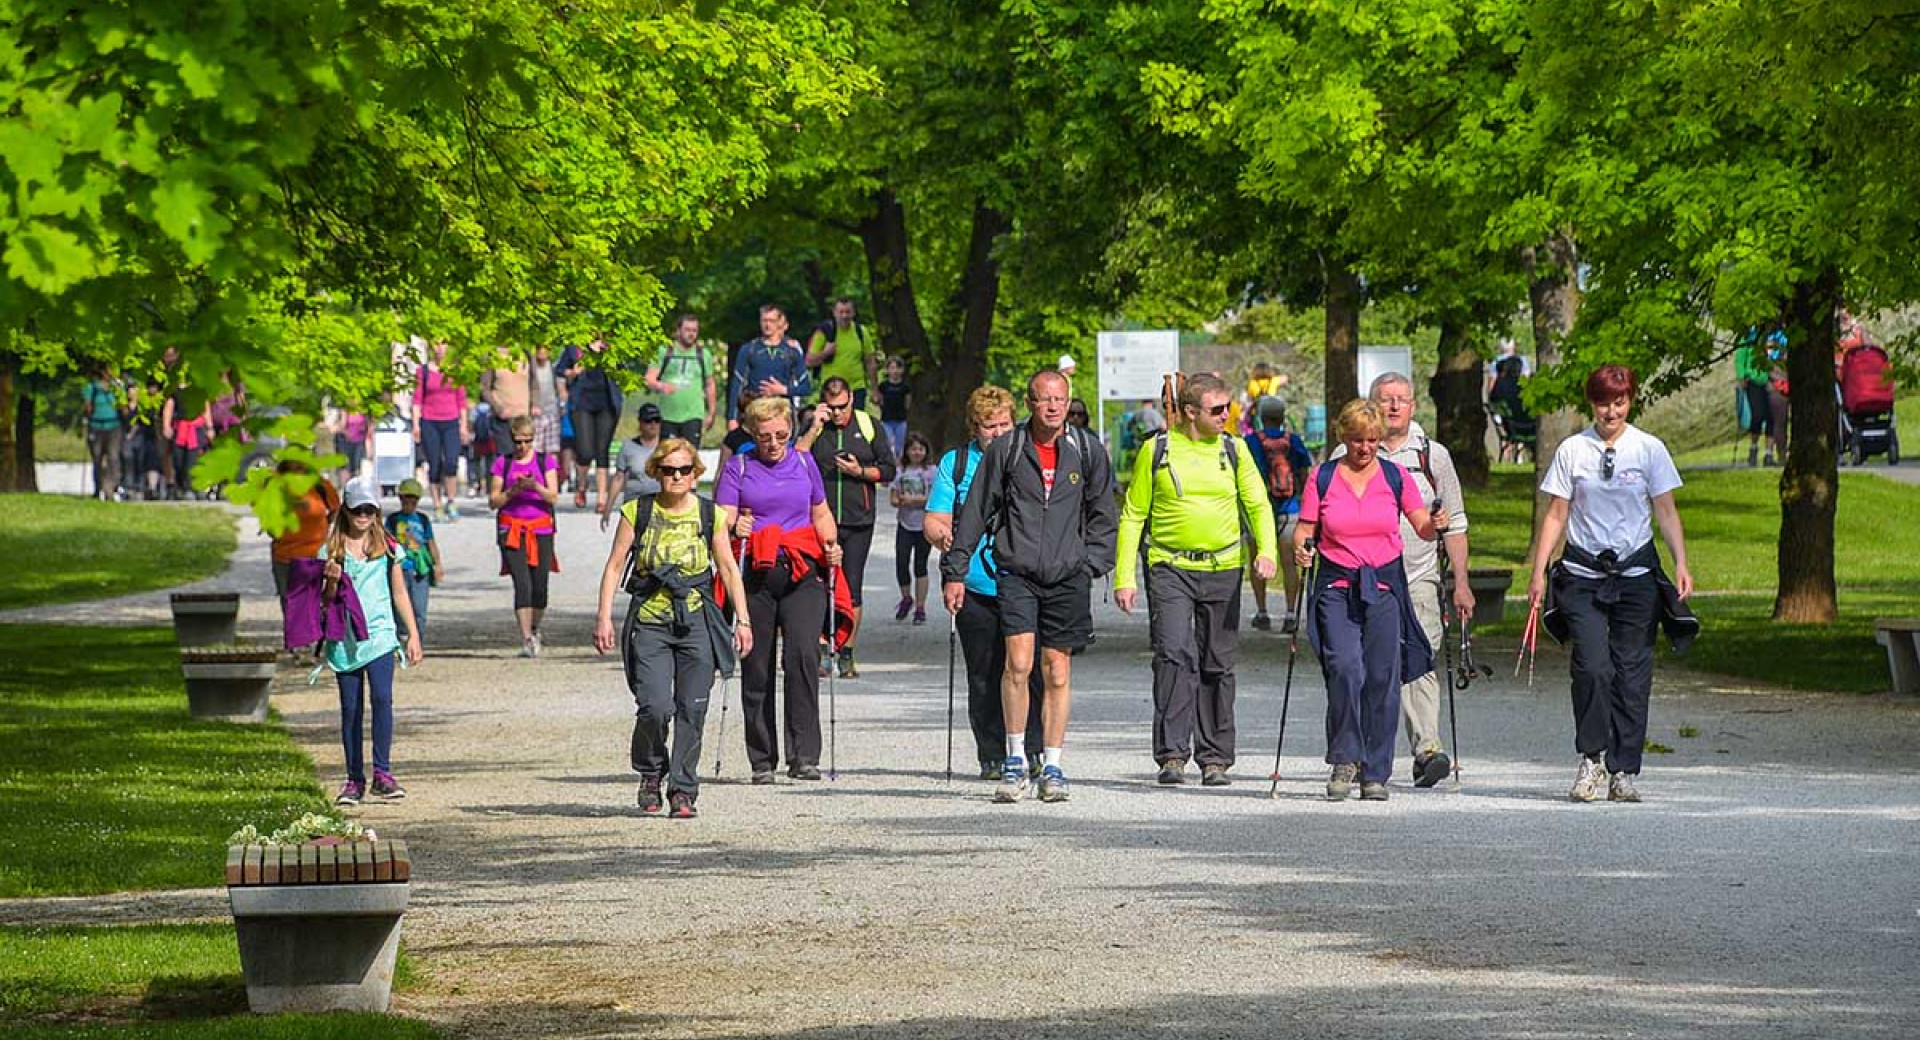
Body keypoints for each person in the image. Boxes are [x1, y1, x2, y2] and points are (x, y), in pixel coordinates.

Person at [944, 369, 1117, 804]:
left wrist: (1091, 563)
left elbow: (1104, 512)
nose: (1053, 407)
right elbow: (975, 512)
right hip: (1017, 571)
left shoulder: (1087, 450)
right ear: (1030, 403)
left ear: (1069, 400)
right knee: (1018, 664)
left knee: (1057, 669)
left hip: (1067, 575)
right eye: (1043, 399)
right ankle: (1016, 758)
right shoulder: (1008, 448)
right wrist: (956, 570)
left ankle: (1054, 764)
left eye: (1059, 398)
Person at [1528, 364, 1694, 804]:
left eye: (1619, 402)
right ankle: (1591, 758)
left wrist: (1681, 562)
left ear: (1631, 401)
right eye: (1603, 403)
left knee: (1632, 675)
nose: (1611, 411)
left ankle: (1624, 770)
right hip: (1582, 575)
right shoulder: (1572, 451)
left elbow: (1666, 510)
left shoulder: (1649, 449)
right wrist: (1539, 571)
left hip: (1636, 576)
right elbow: (1557, 514)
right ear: (1591, 404)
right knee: (1593, 667)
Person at [1114, 373, 1277, 787]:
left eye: (1229, 408)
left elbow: (1257, 505)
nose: (1227, 416)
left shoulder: (1234, 449)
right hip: (1170, 566)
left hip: (1223, 567)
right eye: (1217, 409)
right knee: (1172, 654)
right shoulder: (1158, 450)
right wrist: (1124, 577)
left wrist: (1267, 551)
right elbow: (1133, 514)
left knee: (1217, 662)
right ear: (1189, 412)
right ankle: (1172, 754)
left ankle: (1215, 758)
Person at [1295, 399, 1445, 802]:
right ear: (1343, 437)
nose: (1365, 448)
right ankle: (1345, 759)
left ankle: (1375, 771)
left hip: (1383, 587)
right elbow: (1305, 528)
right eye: (1358, 440)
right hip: (1337, 587)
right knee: (1344, 668)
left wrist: (1435, 524)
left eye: (1373, 441)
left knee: (1382, 677)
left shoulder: (1395, 477)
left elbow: (1422, 527)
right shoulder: (1323, 477)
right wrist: (1302, 549)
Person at [594, 438, 752, 818]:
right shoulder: (637, 511)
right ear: (656, 472)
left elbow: (728, 568)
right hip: (650, 621)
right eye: (668, 470)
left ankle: (683, 790)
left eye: (684, 470)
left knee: (692, 708)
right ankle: (651, 773)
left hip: (696, 619)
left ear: (696, 473)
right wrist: (603, 617)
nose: (676, 476)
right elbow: (615, 566)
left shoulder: (710, 514)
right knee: (654, 706)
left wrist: (743, 620)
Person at [1335, 374, 1475, 787]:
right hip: (1363, 576)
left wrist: (1461, 582)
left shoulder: (1434, 456)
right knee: (1362, 663)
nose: (1394, 407)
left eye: (1401, 400)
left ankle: (1427, 749)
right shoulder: (1347, 453)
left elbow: (1456, 522)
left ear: (1414, 406)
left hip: (1417, 573)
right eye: (1385, 400)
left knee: (1420, 655)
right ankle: (1359, 752)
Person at [714, 397, 845, 784]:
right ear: (753, 434)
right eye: (766, 436)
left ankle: (804, 756)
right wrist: (734, 527)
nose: (774, 443)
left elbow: (820, 512)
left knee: (804, 656)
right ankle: (762, 759)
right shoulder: (739, 467)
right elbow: (724, 519)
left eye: (782, 435)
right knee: (757, 664)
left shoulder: (804, 463)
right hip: (755, 574)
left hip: (803, 572)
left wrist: (831, 544)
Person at [926, 387, 1046, 780]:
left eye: (1005, 425)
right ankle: (991, 752)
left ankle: (1033, 747)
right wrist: (941, 535)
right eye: (989, 426)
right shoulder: (957, 463)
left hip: (1026, 581)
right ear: (974, 428)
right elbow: (935, 517)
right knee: (984, 671)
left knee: (1030, 669)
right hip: (976, 581)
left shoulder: (1028, 456)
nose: (997, 433)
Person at [323, 477, 424, 806]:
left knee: (382, 699)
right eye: (357, 509)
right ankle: (354, 778)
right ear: (346, 510)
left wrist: (413, 634)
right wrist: (331, 582)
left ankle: (383, 771)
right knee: (351, 709)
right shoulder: (332, 550)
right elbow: (323, 602)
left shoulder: (388, 547)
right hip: (346, 639)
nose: (363, 516)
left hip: (380, 635)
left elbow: (399, 592)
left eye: (369, 509)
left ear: (377, 512)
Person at [798, 375, 896, 677]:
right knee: (817, 585)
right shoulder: (815, 425)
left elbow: (889, 470)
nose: (838, 413)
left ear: (851, 399)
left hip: (858, 520)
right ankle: (821, 648)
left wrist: (860, 471)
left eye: (842, 406)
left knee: (851, 586)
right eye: (832, 407)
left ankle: (847, 653)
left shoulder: (869, 425)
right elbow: (794, 461)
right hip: (819, 519)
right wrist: (814, 427)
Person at [489, 415, 562, 658]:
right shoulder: (503, 463)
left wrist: (535, 487)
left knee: (540, 586)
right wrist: (513, 490)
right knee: (522, 584)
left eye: (527, 441)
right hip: (512, 529)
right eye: (518, 442)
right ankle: (526, 638)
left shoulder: (546, 462)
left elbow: (553, 497)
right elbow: (493, 500)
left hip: (540, 528)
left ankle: (535, 626)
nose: (522, 447)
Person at [1245, 396, 1314, 633]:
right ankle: (1290, 613)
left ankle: (1262, 612)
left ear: (1261, 417)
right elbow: (1305, 470)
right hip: (1290, 508)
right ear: (1283, 416)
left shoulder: (1251, 441)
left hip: (1258, 508)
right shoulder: (1292, 441)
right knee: (1289, 563)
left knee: (1258, 559)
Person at [560, 337, 626, 511]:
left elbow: (623, 370)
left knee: (602, 449)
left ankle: (602, 498)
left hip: (607, 403)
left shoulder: (612, 345)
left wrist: (608, 355)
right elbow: (560, 370)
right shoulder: (575, 346)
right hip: (582, 403)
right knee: (585, 450)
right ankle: (581, 486)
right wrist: (573, 372)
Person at [411, 341, 471, 521]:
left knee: (452, 462)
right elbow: (417, 400)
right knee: (434, 464)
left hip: (451, 421)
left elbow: (462, 400)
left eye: (443, 344)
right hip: (430, 421)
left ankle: (451, 501)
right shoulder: (423, 372)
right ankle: (437, 505)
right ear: (431, 348)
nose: (440, 348)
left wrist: (464, 424)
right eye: (436, 344)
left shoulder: (455, 371)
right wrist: (416, 425)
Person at [726, 304, 810, 430]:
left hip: (782, 414)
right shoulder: (749, 349)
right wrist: (732, 418)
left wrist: (784, 390)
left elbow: (806, 387)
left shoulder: (791, 352)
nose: (767, 325)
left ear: (780, 323)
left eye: (772, 321)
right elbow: (736, 384)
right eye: (764, 320)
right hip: (755, 414)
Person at [271, 460, 340, 606]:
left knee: (314, 606)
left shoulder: (320, 485)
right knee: (291, 608)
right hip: (285, 559)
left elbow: (335, 508)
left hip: (315, 557)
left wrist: (324, 526)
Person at [645, 314, 716, 444]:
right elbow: (649, 378)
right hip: (668, 415)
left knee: (690, 457)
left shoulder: (703, 355)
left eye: (694, 331)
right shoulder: (665, 351)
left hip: (693, 414)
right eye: (687, 330)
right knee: (667, 457)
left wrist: (711, 412)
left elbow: (709, 384)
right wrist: (661, 386)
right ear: (678, 330)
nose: (691, 334)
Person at [385, 478, 440, 644]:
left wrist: (437, 564)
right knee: (399, 606)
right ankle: (401, 637)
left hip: (420, 569)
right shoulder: (393, 520)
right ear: (400, 498)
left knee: (419, 608)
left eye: (413, 499)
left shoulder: (422, 520)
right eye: (405, 498)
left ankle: (417, 640)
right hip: (400, 568)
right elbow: (385, 542)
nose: (409, 502)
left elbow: (430, 542)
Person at [890, 432, 937, 625]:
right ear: (907, 451)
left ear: (926, 451)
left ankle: (920, 606)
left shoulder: (931, 471)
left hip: (923, 525)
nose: (917, 452)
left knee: (920, 565)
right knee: (901, 563)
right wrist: (900, 501)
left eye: (920, 449)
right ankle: (906, 597)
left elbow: (934, 499)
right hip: (904, 524)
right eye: (913, 448)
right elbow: (893, 498)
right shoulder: (900, 471)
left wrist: (913, 500)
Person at [806, 297, 880, 411]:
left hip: (856, 389)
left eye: (848, 312)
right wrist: (826, 353)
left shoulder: (861, 332)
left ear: (854, 313)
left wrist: (875, 390)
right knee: (831, 427)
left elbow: (870, 362)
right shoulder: (825, 332)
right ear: (834, 313)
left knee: (855, 426)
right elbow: (809, 361)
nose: (844, 316)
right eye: (841, 312)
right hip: (832, 389)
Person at [604, 403, 664, 529]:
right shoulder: (628, 447)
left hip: (661, 504)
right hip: (635, 504)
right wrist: (608, 508)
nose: (653, 424)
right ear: (640, 423)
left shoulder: (667, 447)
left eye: (657, 420)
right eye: (648, 421)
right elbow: (618, 478)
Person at [483, 350, 534, 464]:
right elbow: (485, 389)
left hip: (523, 417)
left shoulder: (526, 353)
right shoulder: (492, 356)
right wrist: (498, 408)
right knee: (507, 458)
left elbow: (534, 384)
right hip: (503, 418)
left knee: (524, 456)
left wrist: (535, 404)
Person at [1732, 327, 1773, 467]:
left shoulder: (1766, 336)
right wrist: (1742, 376)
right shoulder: (1748, 337)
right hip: (1752, 380)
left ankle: (1768, 453)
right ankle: (1754, 448)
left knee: (1770, 416)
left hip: (1765, 380)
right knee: (1757, 414)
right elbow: (1740, 358)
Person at [82, 367, 125, 500]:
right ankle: (97, 488)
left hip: (114, 426)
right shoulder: (91, 387)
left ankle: (111, 488)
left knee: (113, 457)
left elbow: (123, 407)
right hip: (96, 426)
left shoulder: (117, 388)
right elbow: (87, 406)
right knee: (97, 458)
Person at [531, 343, 566, 458]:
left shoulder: (553, 367)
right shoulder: (531, 368)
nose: (542, 353)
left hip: (552, 411)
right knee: (535, 447)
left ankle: (551, 473)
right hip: (536, 413)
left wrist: (561, 405)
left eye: (545, 350)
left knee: (553, 448)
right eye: (539, 350)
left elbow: (560, 389)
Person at [875, 356, 911, 459]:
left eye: (897, 368)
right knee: (888, 443)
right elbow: (879, 400)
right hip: (887, 419)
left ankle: (899, 464)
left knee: (900, 445)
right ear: (887, 370)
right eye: (892, 368)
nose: (895, 371)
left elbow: (907, 403)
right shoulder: (883, 386)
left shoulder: (905, 387)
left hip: (901, 419)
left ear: (902, 370)